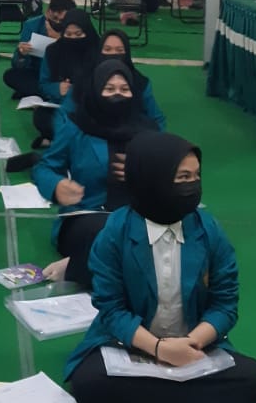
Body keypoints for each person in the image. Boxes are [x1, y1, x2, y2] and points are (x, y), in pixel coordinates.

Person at [65, 131, 256, 403]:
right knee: (89, 384)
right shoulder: (115, 232)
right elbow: (111, 310)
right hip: (131, 345)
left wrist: (191, 343)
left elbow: (225, 304)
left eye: (196, 177)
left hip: (195, 348)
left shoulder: (209, 230)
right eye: (182, 178)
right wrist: (160, 349)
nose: (193, 186)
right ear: (151, 179)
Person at [33, 59, 163, 289]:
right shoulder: (76, 127)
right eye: (109, 89)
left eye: (124, 89)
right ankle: (78, 266)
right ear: (95, 90)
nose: (117, 95)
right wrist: (56, 186)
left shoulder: (149, 131)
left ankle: (81, 265)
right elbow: (45, 168)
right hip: (89, 214)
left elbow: (167, 176)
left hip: (137, 215)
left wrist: (142, 171)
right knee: (113, 235)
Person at [35, 10, 101, 142]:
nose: (73, 38)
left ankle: (62, 139)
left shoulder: (98, 52)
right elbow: (43, 84)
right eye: (68, 34)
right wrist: (57, 88)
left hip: (91, 106)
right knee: (41, 116)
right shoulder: (53, 51)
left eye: (78, 34)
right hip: (60, 105)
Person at [2, 0, 76, 100]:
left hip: (67, 75)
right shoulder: (32, 26)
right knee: (10, 75)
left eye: (62, 20)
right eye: (54, 18)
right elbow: (17, 65)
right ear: (48, 12)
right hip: (39, 73)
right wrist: (22, 54)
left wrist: (59, 40)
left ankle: (37, 93)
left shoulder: (75, 28)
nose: (58, 23)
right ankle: (49, 93)